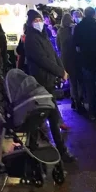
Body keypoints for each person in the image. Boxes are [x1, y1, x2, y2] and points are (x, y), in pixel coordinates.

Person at [23, 9, 74, 162]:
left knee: (45, 114)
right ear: (30, 23)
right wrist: (59, 71)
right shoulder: (31, 38)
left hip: (49, 81)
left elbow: (53, 54)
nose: (38, 23)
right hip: (41, 81)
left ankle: (33, 146)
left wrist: (62, 70)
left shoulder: (43, 35)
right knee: (48, 114)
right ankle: (61, 150)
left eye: (39, 20)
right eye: (35, 21)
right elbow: (42, 59)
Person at [73, 5, 96, 121]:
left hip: (86, 62)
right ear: (94, 14)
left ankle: (92, 113)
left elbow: (76, 46)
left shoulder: (78, 28)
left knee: (90, 89)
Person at [57, 12, 82, 112]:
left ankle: (73, 99)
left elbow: (58, 45)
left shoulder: (60, 31)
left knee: (71, 81)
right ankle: (78, 100)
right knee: (78, 81)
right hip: (75, 58)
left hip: (65, 59)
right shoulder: (74, 29)